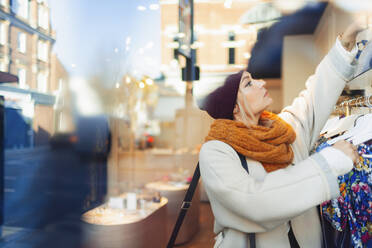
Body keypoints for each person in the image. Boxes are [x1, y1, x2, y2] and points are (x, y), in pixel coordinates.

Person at [199, 20, 365, 248]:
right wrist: (330, 162)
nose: (261, 83)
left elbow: (313, 97)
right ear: (234, 107)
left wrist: (346, 42)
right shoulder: (216, 151)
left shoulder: (282, 130)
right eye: (248, 84)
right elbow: (254, 202)